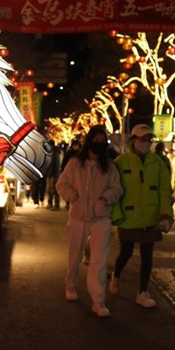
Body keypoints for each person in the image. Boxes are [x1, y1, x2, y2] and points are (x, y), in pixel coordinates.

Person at [56, 126, 123, 318]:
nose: (98, 144)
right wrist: (73, 196)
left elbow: (117, 188)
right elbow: (62, 184)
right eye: (96, 140)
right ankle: (70, 286)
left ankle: (98, 301)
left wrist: (107, 197)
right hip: (78, 217)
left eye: (102, 141)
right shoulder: (75, 163)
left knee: (99, 261)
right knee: (74, 254)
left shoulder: (110, 167)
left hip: (101, 218)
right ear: (89, 141)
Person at [110, 124, 174, 309]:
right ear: (133, 140)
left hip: (151, 217)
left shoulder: (158, 163)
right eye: (143, 139)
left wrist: (166, 213)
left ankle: (143, 292)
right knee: (126, 252)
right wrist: (116, 214)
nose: (146, 143)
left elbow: (164, 190)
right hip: (128, 217)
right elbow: (114, 190)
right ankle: (116, 275)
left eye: (149, 139)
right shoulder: (121, 162)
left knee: (147, 255)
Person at [45, 141, 61, 210]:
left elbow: (55, 164)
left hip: (54, 174)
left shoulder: (54, 153)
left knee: (54, 189)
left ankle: (56, 205)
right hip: (50, 174)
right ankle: (50, 203)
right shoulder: (50, 152)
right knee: (49, 190)